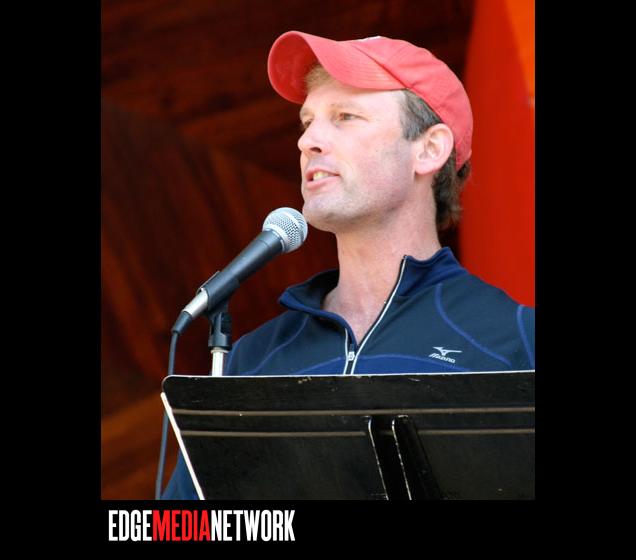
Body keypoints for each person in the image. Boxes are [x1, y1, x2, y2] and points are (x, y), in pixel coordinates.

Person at [160, 31, 535, 499]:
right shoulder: (253, 358)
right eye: (307, 121)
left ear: (429, 150)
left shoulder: (517, 340)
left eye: (345, 116)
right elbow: (179, 528)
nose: (309, 140)